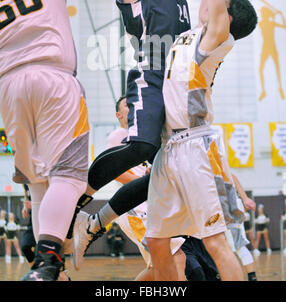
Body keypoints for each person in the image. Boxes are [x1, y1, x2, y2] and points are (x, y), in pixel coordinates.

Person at [0, 0, 149, 281]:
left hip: (8, 89)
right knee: (70, 176)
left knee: (38, 178)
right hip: (52, 78)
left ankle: (43, 268)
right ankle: (49, 258)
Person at [73, 0, 202, 258]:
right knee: (142, 148)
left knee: (167, 171)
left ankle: (99, 220)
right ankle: (78, 192)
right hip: (151, 75)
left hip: (181, 82)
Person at [144, 0, 259, 281]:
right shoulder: (195, 33)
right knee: (158, 242)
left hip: (196, 146)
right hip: (169, 149)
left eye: (220, 3)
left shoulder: (216, 40)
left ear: (227, 18)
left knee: (215, 243)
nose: (211, 0)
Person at [75, 95, 218, 282]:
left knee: (162, 265)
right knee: (176, 259)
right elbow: (116, 173)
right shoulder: (119, 135)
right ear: (119, 114)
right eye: (127, 105)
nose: (132, 106)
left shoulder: (146, 139)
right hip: (136, 210)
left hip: (153, 206)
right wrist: (146, 181)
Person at [226, 175, 258, 281]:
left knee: (238, 246)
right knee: (219, 246)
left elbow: (231, 176)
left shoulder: (212, 162)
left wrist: (244, 198)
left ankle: (252, 278)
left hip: (229, 206)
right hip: (219, 207)